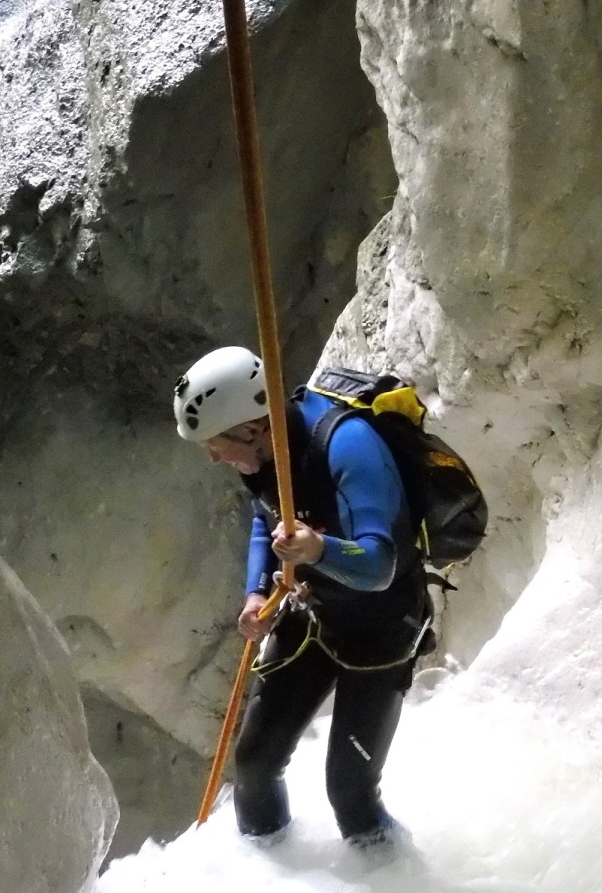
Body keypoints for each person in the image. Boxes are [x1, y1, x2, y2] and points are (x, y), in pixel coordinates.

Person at [173, 345, 427, 849]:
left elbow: (379, 566)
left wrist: (318, 548)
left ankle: (395, 878)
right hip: (314, 613)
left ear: (251, 427)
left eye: (215, 442)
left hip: (380, 628)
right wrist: (255, 594)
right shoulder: (266, 456)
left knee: (350, 794)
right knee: (254, 766)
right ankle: (269, 873)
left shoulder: (346, 445)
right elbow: (264, 519)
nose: (213, 455)